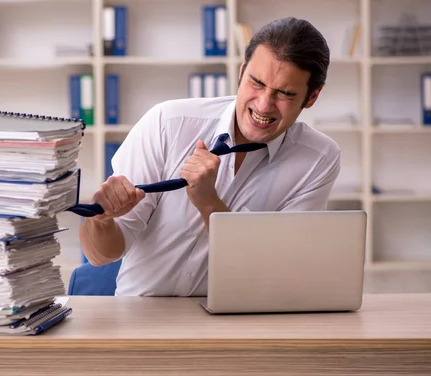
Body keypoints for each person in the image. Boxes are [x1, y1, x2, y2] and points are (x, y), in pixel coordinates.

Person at [79, 17, 341, 297]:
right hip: (143, 320)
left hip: (238, 327)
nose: (264, 104)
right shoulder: (168, 124)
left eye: (285, 94)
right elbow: (100, 256)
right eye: (256, 82)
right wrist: (102, 220)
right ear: (241, 72)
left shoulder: (317, 159)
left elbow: (274, 271)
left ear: (312, 97)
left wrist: (208, 203)